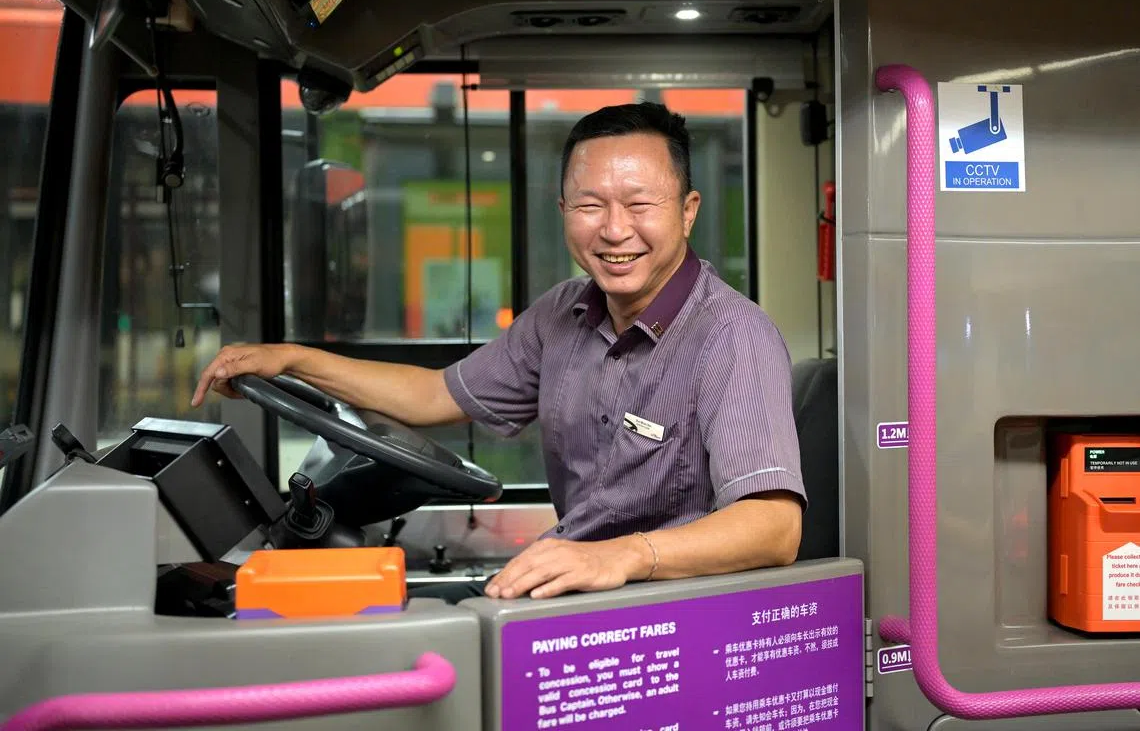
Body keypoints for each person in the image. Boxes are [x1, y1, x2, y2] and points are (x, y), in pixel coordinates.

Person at [191, 102, 806, 604]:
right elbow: (434, 395)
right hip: (579, 593)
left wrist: (616, 556)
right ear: (565, 212)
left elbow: (774, 528)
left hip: (674, 614)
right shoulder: (562, 314)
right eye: (591, 205)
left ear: (688, 211)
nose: (615, 230)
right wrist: (293, 359)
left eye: (641, 204)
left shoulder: (733, 336)